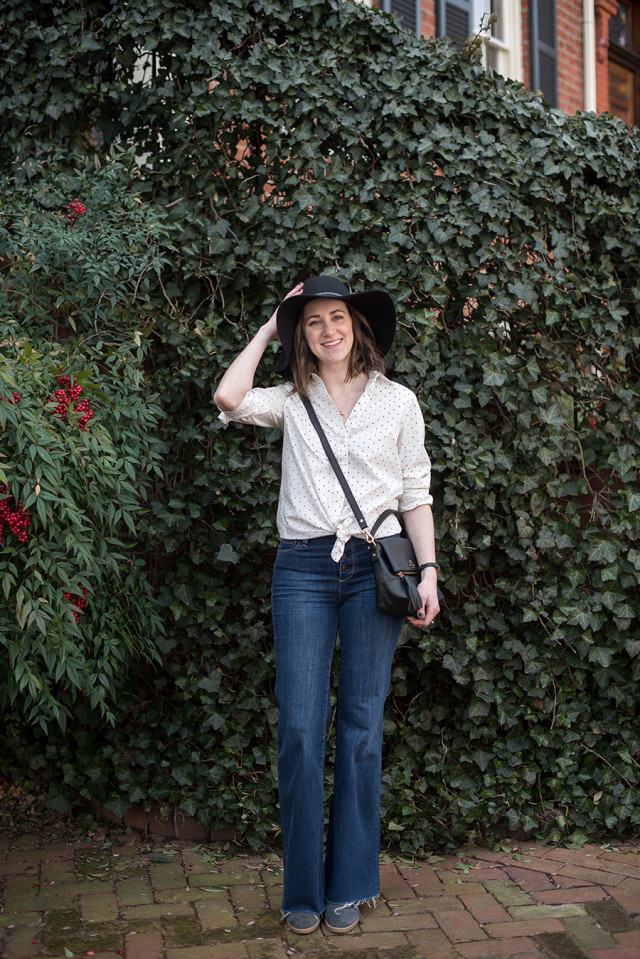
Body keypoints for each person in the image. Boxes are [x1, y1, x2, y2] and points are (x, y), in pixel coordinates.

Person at [214, 275, 439, 936]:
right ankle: (302, 890)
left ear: (357, 325)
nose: (327, 330)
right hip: (303, 568)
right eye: (312, 321)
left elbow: (415, 493)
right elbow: (228, 397)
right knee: (300, 729)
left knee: (362, 727)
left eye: (337, 317)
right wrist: (269, 326)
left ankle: (351, 883)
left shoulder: (399, 402)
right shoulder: (292, 399)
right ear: (302, 335)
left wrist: (429, 572)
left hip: (377, 569)